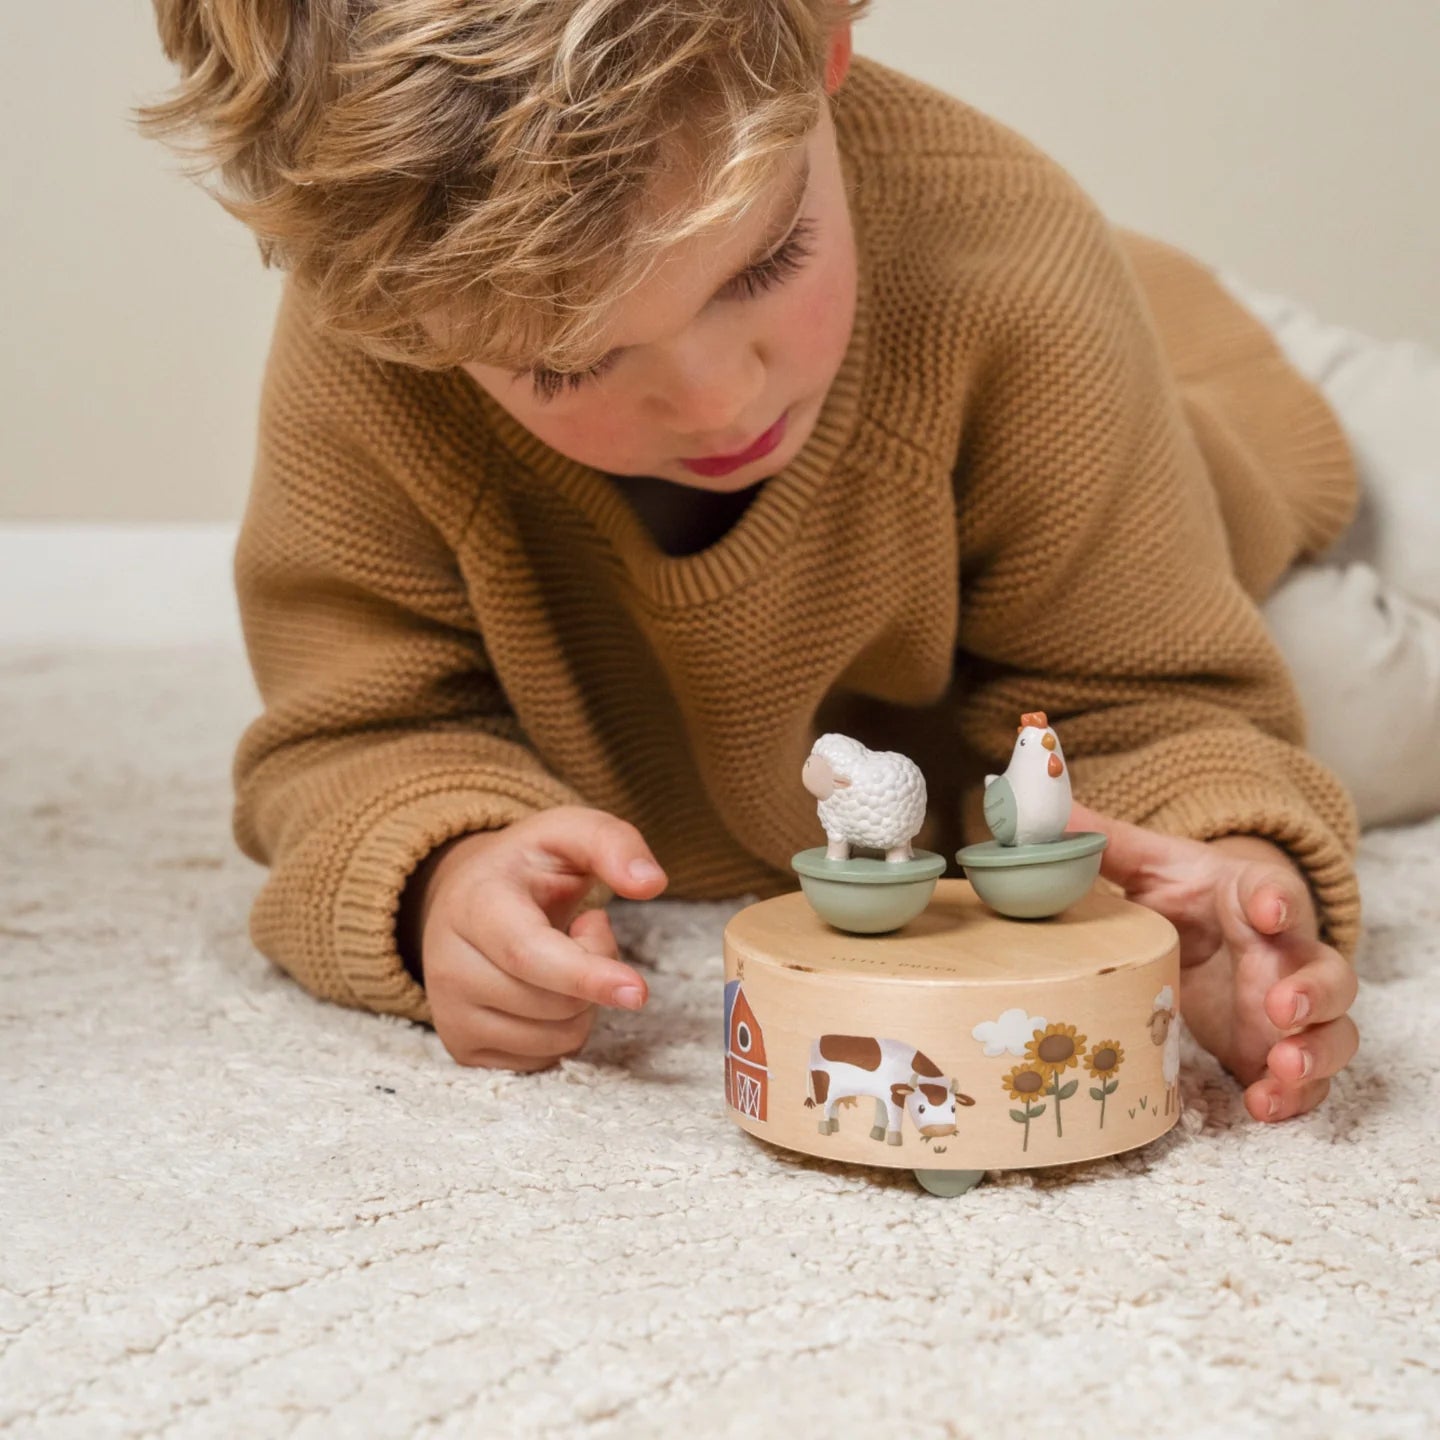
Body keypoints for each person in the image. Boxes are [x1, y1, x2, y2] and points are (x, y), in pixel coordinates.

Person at [141, 0, 1421, 1126]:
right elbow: (358, 734)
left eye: (765, 262)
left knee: (1347, 705)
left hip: (1200, 414)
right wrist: (442, 873)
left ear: (827, 50)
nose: (717, 400)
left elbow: (1156, 700)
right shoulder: (381, 341)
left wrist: (1234, 885)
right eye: (571, 363)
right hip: (981, 547)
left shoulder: (1011, 272)